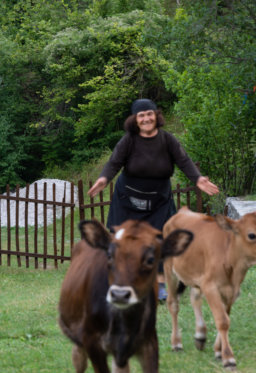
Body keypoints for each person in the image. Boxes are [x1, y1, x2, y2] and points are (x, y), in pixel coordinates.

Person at [87, 98, 219, 299]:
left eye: (150, 114)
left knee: (159, 239)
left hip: (159, 201)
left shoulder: (167, 140)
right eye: (141, 115)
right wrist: (104, 179)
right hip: (127, 199)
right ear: (135, 119)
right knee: (123, 240)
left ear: (156, 116)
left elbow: (184, 161)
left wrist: (198, 179)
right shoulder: (129, 140)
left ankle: (160, 286)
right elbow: (114, 162)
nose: (146, 118)